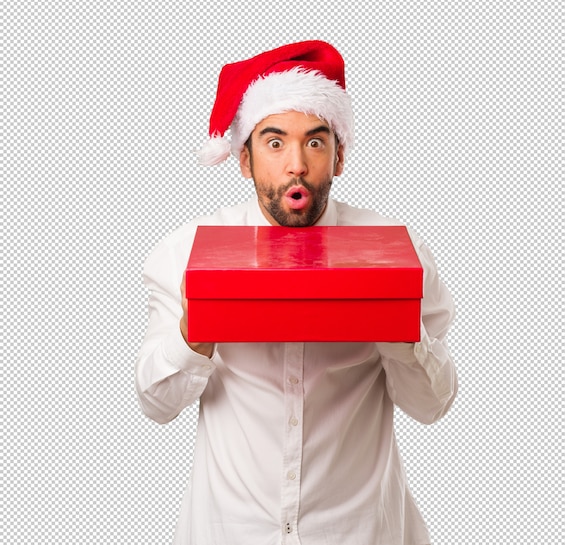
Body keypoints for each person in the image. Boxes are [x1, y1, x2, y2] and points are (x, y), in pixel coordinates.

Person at [135, 40, 457, 545]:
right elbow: (156, 404)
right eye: (275, 142)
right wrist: (192, 332)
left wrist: (395, 321)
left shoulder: (401, 250)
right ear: (244, 159)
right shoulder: (182, 252)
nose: (296, 166)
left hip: (360, 531)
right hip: (230, 531)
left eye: (314, 141)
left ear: (339, 155)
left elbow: (432, 406)